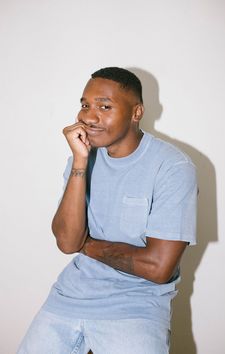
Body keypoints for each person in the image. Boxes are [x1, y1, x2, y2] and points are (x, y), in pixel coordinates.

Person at [17, 67, 197, 354]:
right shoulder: (82, 158)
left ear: (136, 112)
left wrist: (85, 244)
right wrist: (79, 162)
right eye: (85, 105)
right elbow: (66, 242)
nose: (88, 116)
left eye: (104, 106)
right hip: (70, 296)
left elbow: (158, 268)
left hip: (136, 306)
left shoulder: (172, 168)